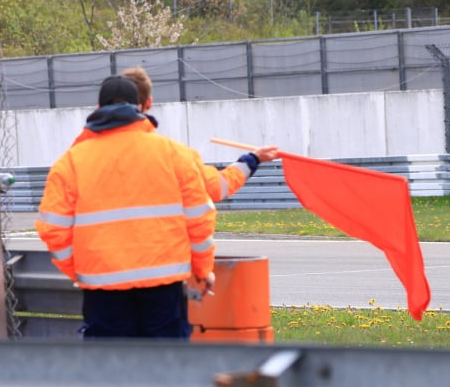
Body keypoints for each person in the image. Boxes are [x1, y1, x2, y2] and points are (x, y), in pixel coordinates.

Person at [36, 75, 217, 339]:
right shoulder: (175, 155)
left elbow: (52, 229)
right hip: (163, 287)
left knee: (113, 372)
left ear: (98, 110)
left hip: (103, 289)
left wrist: (80, 270)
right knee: (166, 370)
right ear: (142, 107)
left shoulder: (71, 163)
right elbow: (200, 219)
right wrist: (202, 270)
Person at [120, 66, 279, 201]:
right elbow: (218, 185)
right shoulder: (174, 155)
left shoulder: (93, 153)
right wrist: (254, 159)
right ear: (149, 103)